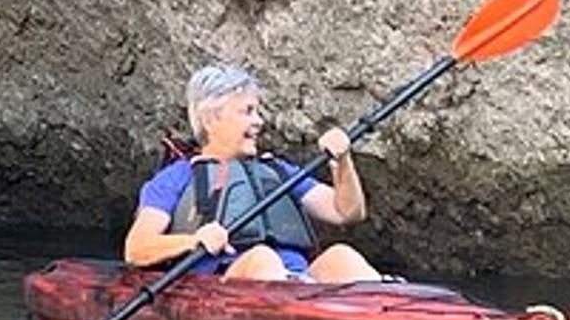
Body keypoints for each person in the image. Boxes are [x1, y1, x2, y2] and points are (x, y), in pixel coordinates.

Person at [124, 64, 381, 283]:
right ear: (211, 120)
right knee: (262, 259)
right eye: (248, 111)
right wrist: (194, 241)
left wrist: (343, 162)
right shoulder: (177, 177)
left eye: (257, 111)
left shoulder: (278, 170)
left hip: (298, 282)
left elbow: (347, 212)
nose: (259, 121)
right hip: (230, 284)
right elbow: (137, 248)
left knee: (342, 256)